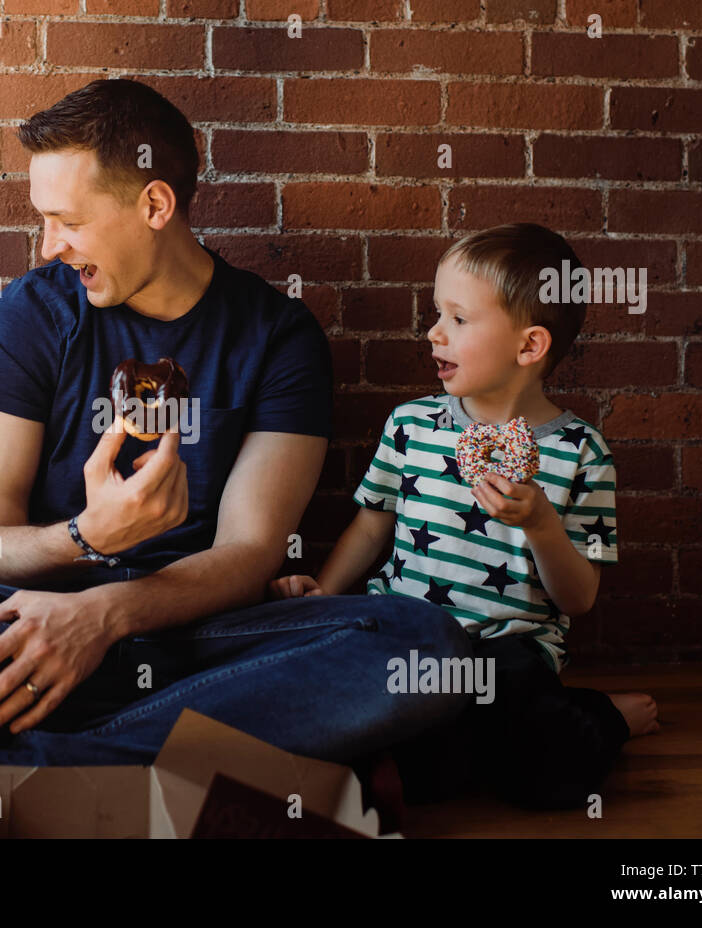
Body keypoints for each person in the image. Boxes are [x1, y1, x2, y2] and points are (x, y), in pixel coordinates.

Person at [0, 78, 470, 837]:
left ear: (155, 205)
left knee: (427, 647)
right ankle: (227, 772)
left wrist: (106, 617)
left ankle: (18, 780)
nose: (50, 246)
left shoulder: (277, 338)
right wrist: (86, 539)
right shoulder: (28, 317)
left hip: (204, 645)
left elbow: (250, 553)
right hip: (30, 634)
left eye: (67, 221)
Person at [271, 223, 659, 808]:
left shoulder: (580, 454)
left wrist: (540, 524)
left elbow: (577, 599)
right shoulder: (411, 426)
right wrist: (326, 590)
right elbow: (373, 524)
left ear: (529, 346)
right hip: (401, 632)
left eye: (458, 319)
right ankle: (429, 757)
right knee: (352, 684)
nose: (433, 333)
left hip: (507, 654)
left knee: (538, 762)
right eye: (437, 314)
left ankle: (598, 720)